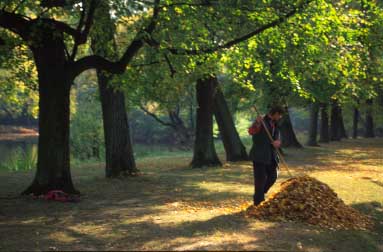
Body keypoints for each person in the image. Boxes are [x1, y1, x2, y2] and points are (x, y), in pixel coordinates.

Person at [248, 105, 284, 206]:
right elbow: (251, 131)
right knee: (260, 179)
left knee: (273, 176)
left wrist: (278, 142)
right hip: (259, 154)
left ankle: (260, 193)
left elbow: (278, 138)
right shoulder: (261, 121)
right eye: (280, 115)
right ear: (276, 113)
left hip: (271, 155)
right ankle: (258, 202)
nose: (280, 117)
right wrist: (257, 123)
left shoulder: (275, 124)